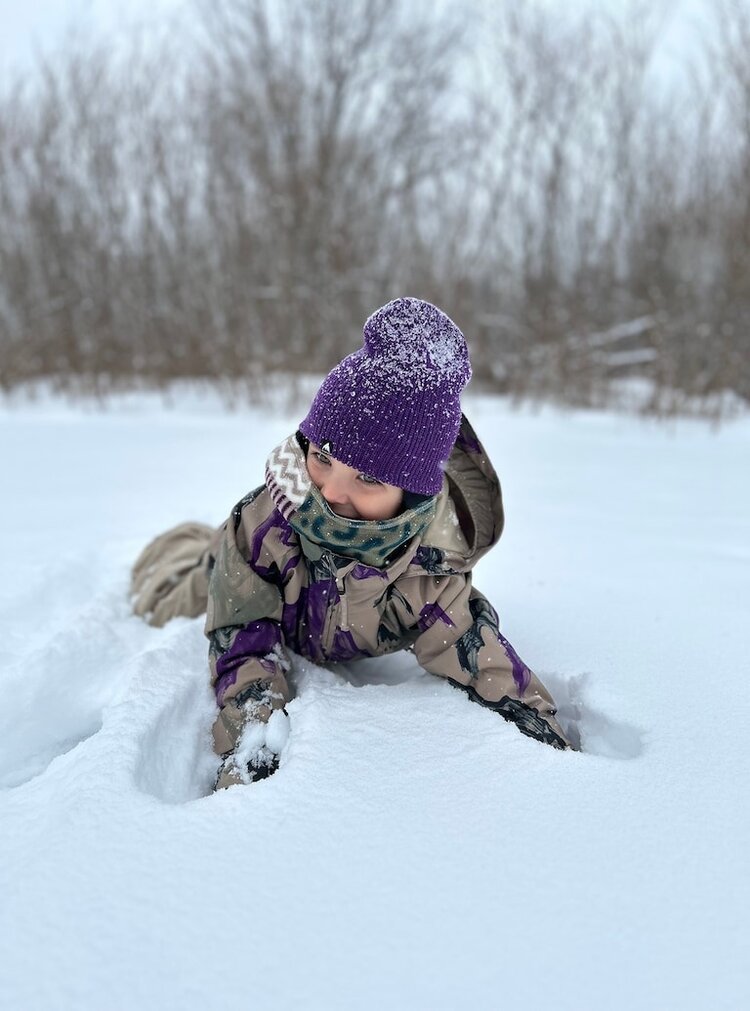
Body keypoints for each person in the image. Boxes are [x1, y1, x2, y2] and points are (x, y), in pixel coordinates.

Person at [131, 297, 572, 789]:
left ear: (413, 494)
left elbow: (473, 648)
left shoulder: (430, 568)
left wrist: (535, 723)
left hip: (337, 618)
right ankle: (179, 541)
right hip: (236, 571)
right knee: (165, 596)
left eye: (368, 477)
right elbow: (242, 629)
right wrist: (253, 725)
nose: (332, 493)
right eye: (322, 457)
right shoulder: (267, 522)